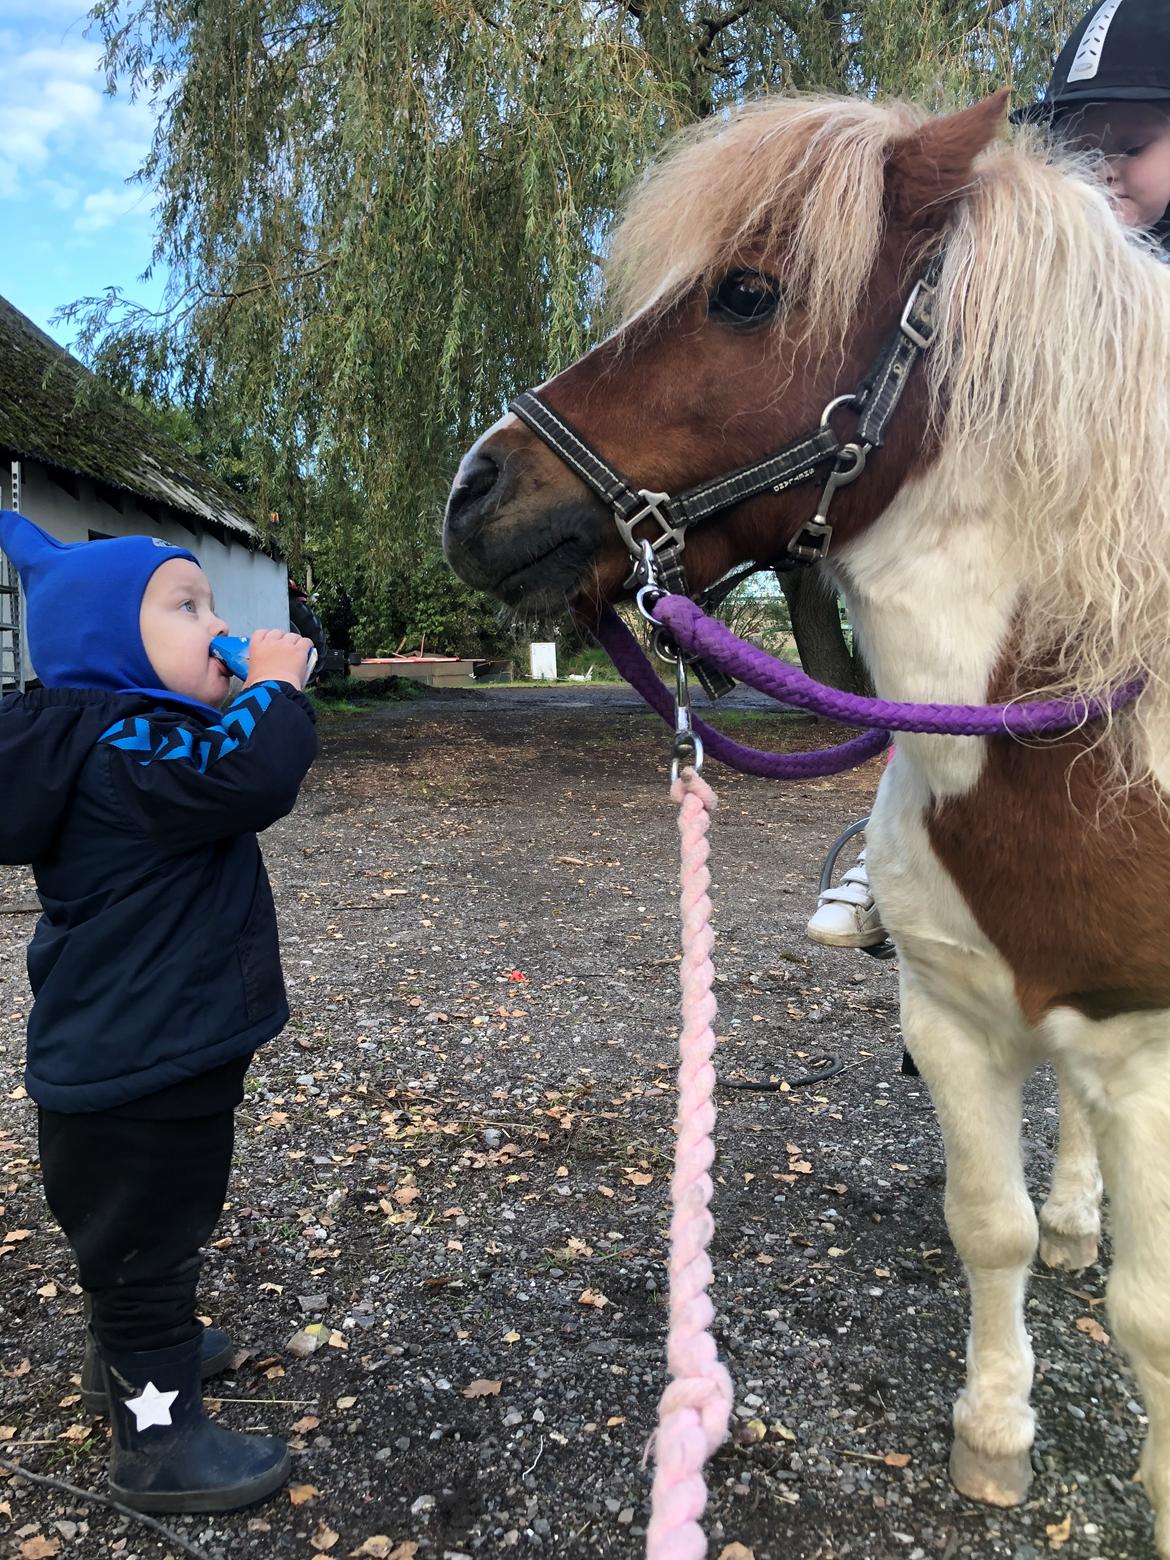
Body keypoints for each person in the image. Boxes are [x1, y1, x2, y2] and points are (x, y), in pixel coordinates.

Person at [807, 0, 1170, 950]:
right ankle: (897, 841)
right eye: (1078, 149)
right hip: (1057, 566)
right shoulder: (1040, 285)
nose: (1103, 174)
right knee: (943, 639)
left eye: (1131, 144)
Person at [0, 511, 318, 1513]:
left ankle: (142, 1361)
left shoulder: (127, 741)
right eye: (187, 606)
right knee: (145, 1244)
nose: (217, 623)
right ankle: (155, 1440)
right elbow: (255, 771)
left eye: (212, 603)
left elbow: (224, 758)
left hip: (147, 1053)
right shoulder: (127, 748)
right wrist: (271, 686)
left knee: (147, 1238)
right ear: (105, 644)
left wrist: (242, 688)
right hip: (137, 1070)